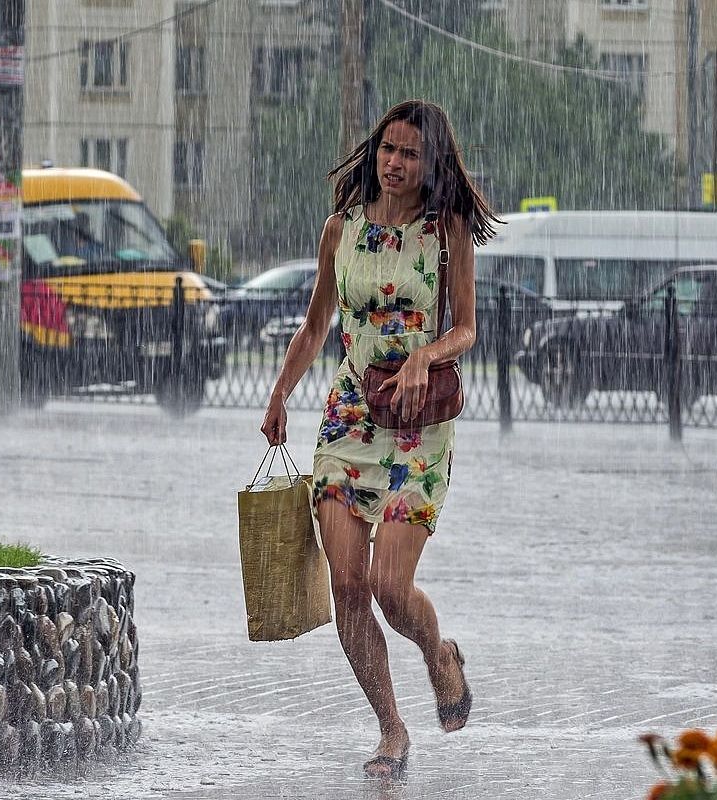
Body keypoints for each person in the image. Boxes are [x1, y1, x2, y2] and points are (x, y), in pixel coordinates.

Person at [260, 99, 499, 779]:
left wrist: (427, 356)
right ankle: (391, 729)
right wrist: (280, 391)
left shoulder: (445, 228)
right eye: (388, 149)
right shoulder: (342, 228)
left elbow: (467, 328)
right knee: (348, 583)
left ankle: (438, 654)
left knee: (393, 588)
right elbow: (314, 328)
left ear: (432, 165)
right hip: (350, 419)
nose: (395, 164)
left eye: (410, 154)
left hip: (419, 426)